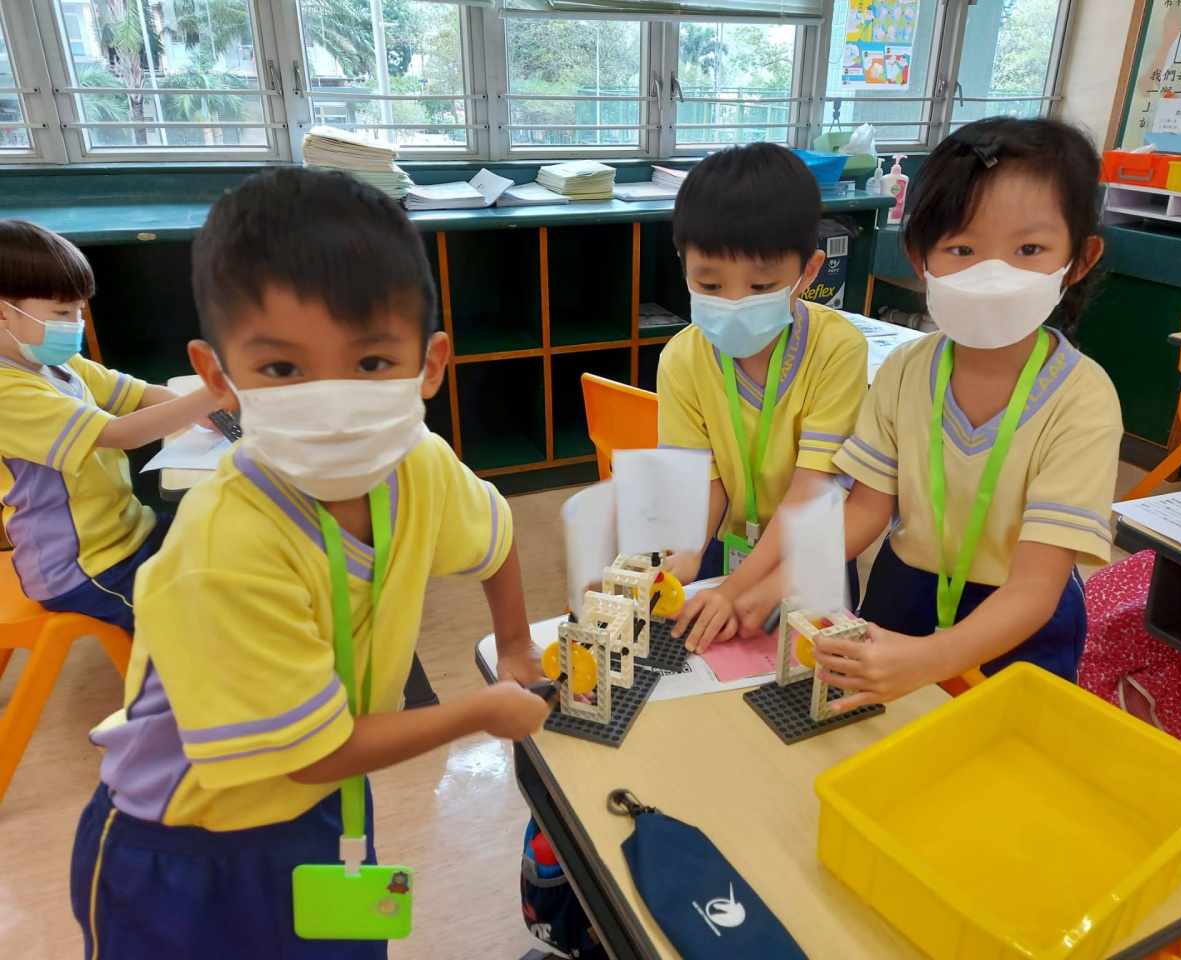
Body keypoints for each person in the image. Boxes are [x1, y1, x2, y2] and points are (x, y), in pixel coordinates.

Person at [69, 169, 550, 959]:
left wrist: (518, 643)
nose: (333, 406)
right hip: (186, 847)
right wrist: (479, 712)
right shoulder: (222, 551)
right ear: (218, 377)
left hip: (322, 799)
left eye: (371, 363)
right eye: (285, 371)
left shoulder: (420, 464)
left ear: (430, 363)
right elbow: (313, 753)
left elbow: (493, 539)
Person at [696, 117, 1122, 705]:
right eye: (962, 249)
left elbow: (1035, 587)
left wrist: (929, 659)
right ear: (920, 259)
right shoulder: (904, 370)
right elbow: (866, 509)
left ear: (1078, 259)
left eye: (1029, 249)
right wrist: (771, 587)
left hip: (1018, 620)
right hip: (902, 591)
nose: (991, 275)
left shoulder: (1083, 400)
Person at [657, 143, 868, 653]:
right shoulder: (682, 358)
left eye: (761, 285)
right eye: (709, 284)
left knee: (810, 669)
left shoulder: (837, 350)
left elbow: (812, 489)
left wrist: (736, 589)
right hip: (726, 547)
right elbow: (702, 480)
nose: (733, 302)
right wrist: (686, 553)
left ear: (808, 272)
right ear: (684, 264)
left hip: (810, 554)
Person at [0, 220, 217, 631]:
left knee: (230, 544)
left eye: (78, 311)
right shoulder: (7, 392)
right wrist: (209, 396)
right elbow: (119, 434)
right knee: (197, 617)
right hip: (84, 567)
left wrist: (200, 410)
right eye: (62, 312)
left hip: (130, 531)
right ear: (3, 312)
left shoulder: (54, 361)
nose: (75, 323)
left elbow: (137, 393)